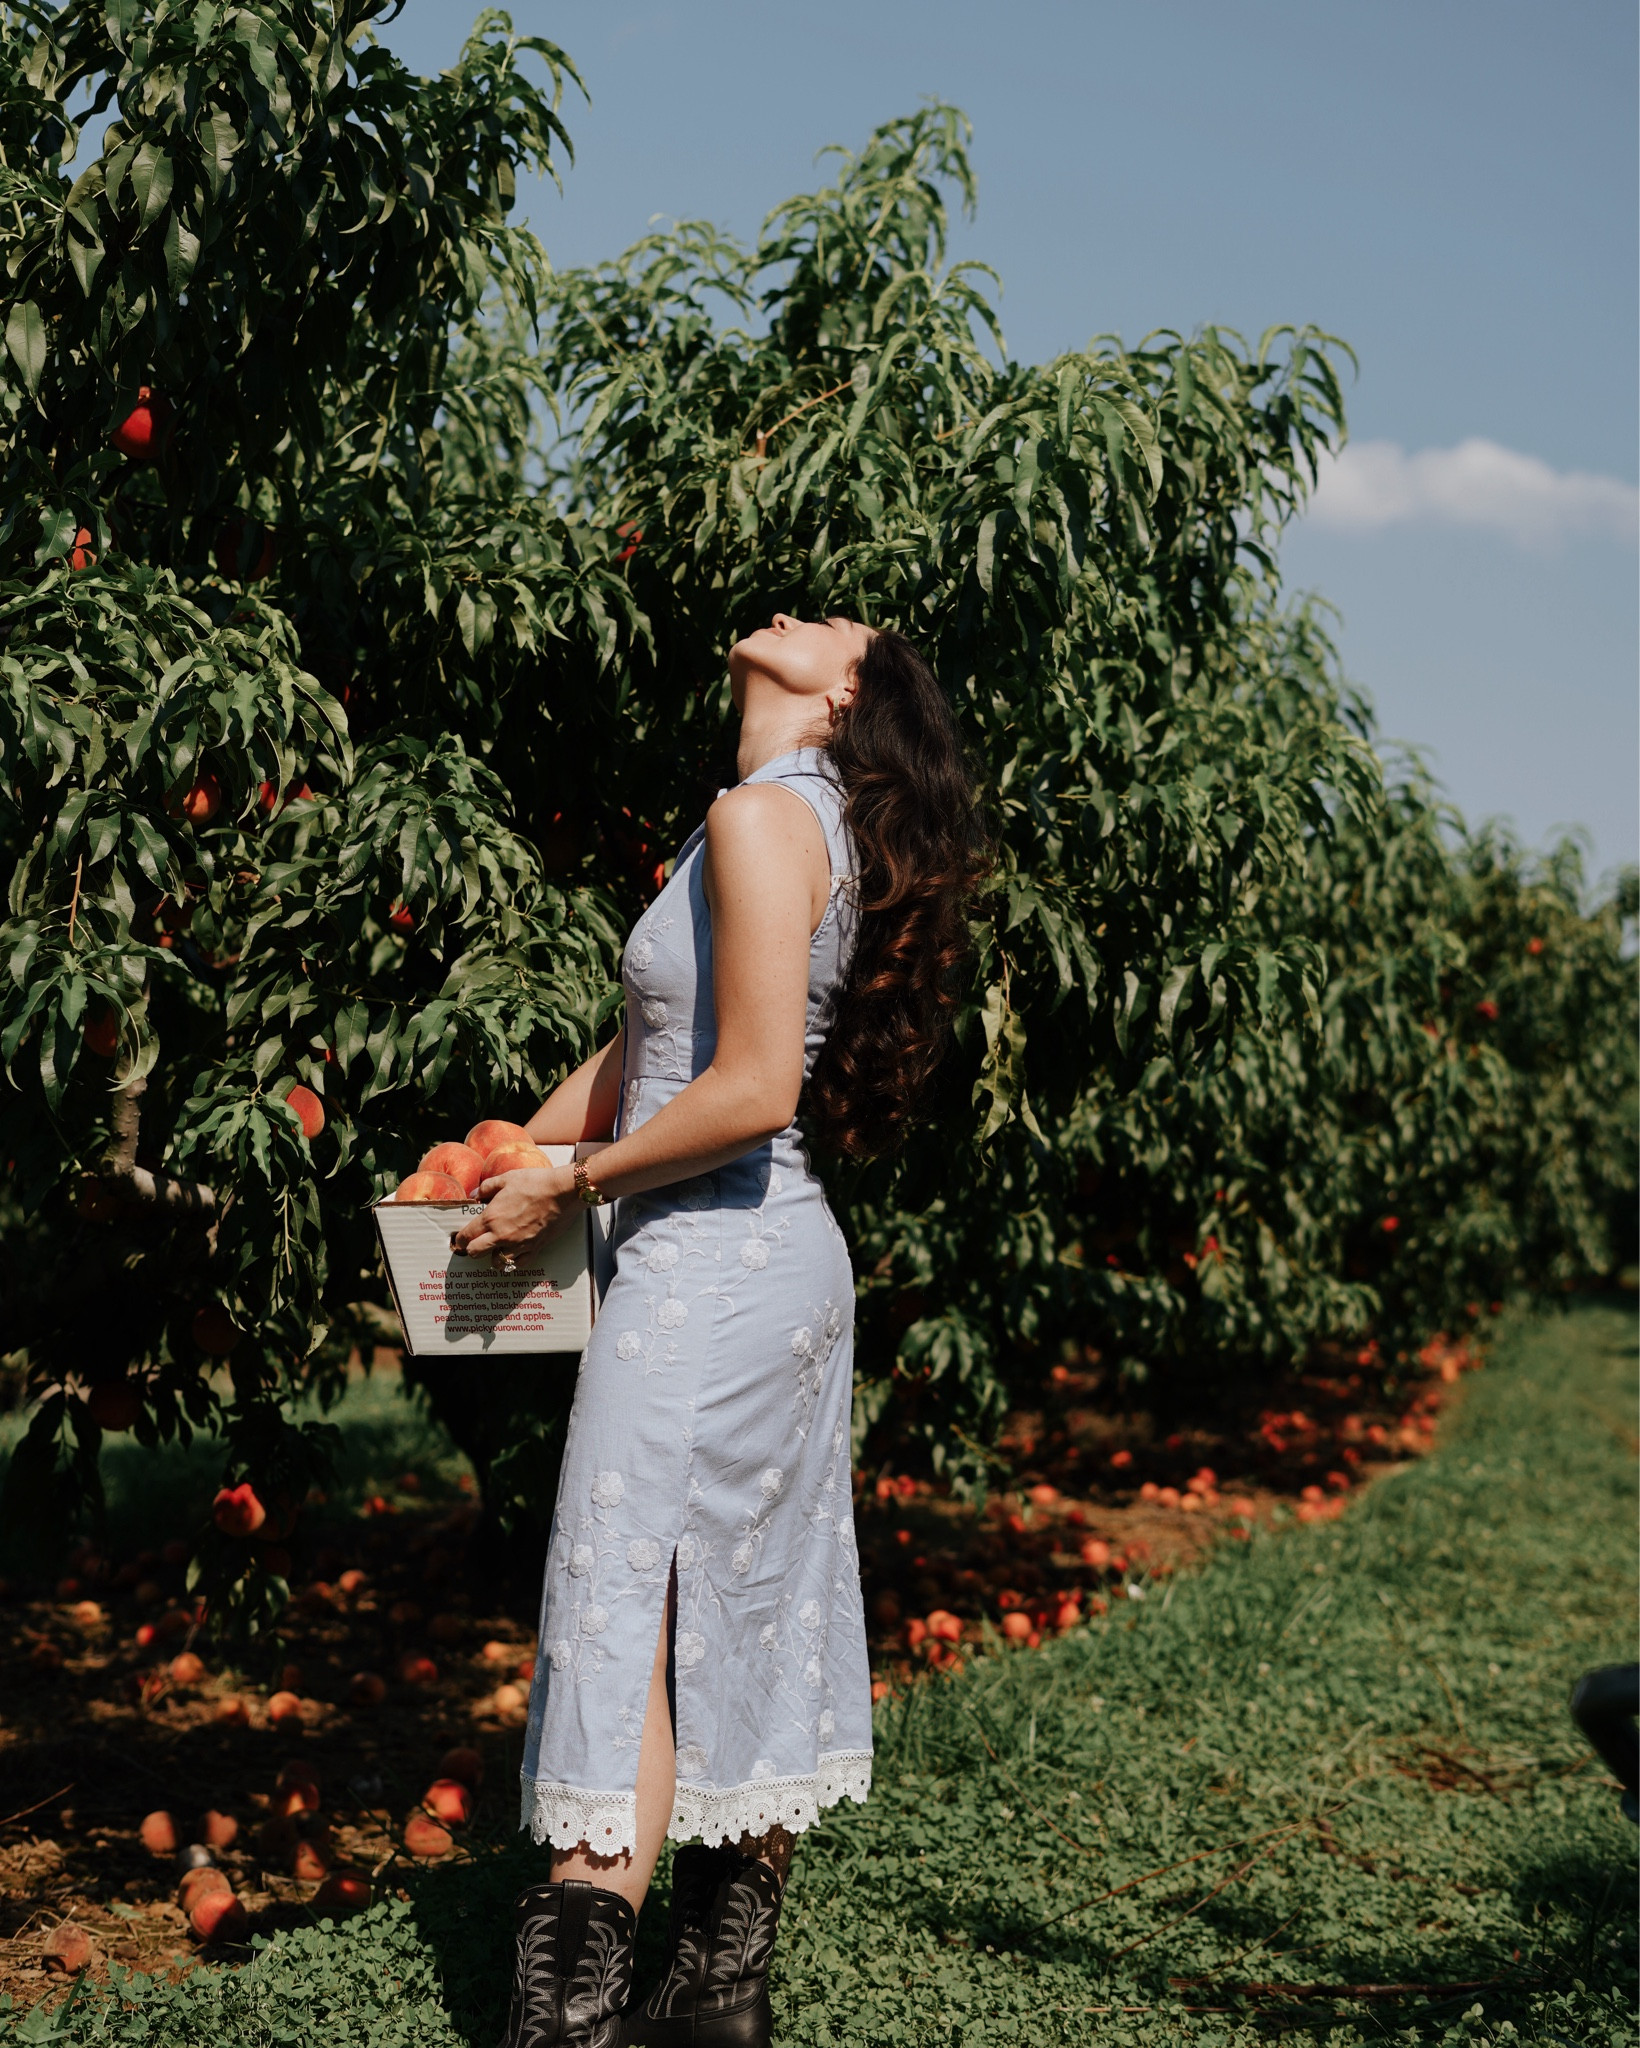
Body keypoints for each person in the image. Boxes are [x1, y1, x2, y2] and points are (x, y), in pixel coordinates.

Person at [454, 613, 986, 2048]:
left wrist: (570, 1182)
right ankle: (715, 1996)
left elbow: (750, 1088)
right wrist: (508, 1142)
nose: (797, 615)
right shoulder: (783, 824)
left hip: (713, 1261)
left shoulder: (758, 817)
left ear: (843, 693)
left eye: (832, 624)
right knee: (749, 1599)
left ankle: (565, 2015)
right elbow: (652, 1057)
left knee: (627, 1603)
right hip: (769, 1259)